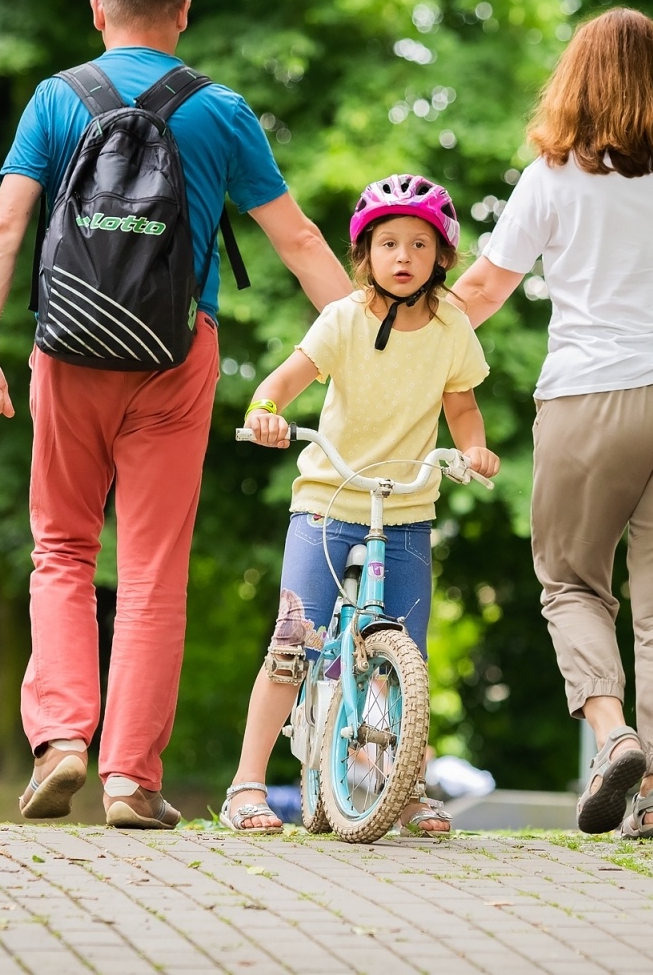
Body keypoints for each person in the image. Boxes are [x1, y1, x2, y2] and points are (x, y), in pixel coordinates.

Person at [0, 0, 352, 828]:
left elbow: (2, 229)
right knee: (152, 568)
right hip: (177, 357)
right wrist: (361, 357)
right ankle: (130, 778)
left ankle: (61, 739)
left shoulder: (58, 99)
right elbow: (299, 242)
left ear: (97, 10)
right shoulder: (222, 111)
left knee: (61, 548)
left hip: (68, 350)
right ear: (183, 12)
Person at [452, 8, 653, 839]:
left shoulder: (553, 175)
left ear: (576, 79)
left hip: (589, 399)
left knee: (570, 579)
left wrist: (409, 338)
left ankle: (614, 735)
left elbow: (487, 290)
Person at [223, 174, 499, 835]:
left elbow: (461, 402)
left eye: (419, 244)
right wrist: (266, 408)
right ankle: (246, 786)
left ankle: (401, 791)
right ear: (365, 253)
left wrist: (475, 448)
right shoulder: (343, 317)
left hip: (405, 505)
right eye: (388, 243)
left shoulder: (452, 325)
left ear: (441, 256)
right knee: (294, 642)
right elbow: (287, 377)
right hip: (327, 498)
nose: (403, 256)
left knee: (407, 658)